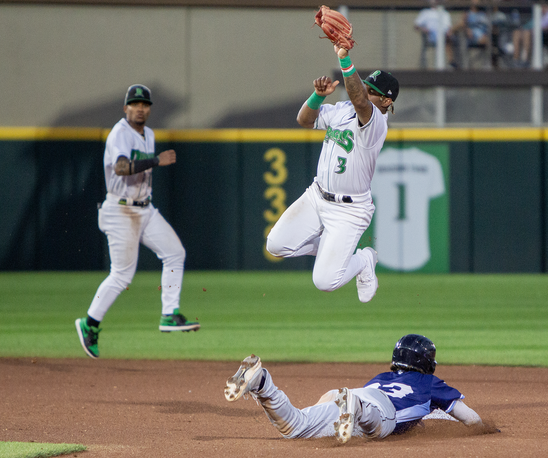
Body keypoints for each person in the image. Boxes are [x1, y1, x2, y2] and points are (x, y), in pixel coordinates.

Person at [265, 42, 399, 304]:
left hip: (349, 210)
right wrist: (317, 95)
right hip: (316, 196)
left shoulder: (376, 123)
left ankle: (363, 259)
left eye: (373, 91)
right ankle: (335, 250)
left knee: (325, 282)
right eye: (367, 87)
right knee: (276, 246)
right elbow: (304, 121)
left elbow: (360, 99)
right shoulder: (343, 110)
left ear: (386, 101)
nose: (365, 92)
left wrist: (344, 59)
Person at [74, 84, 199, 360]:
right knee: (121, 275)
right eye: (135, 104)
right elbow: (120, 167)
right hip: (120, 210)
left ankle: (169, 314)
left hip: (144, 208)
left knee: (175, 253)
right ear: (125, 108)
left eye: (145, 104)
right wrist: (156, 161)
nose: (140, 108)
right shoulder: (120, 132)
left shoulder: (149, 134)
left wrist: (152, 160)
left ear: (149, 109)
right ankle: (89, 324)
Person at [223, 334, 491, 443]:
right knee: (378, 428)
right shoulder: (430, 382)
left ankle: (262, 383)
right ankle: (354, 405)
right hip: (369, 407)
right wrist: (487, 430)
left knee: (295, 427)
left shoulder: (382, 376)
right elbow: (471, 418)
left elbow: (332, 399)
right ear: (425, 362)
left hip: (356, 395)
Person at [511, 0, 548, 67]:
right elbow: (531, 24)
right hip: (538, 32)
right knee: (517, 33)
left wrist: (539, 29)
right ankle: (516, 60)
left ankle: (526, 60)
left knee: (527, 34)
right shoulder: (545, 11)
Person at [415, 0, 456, 68]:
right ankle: (450, 62)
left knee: (448, 37)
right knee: (446, 38)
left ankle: (450, 62)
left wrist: (449, 32)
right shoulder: (426, 13)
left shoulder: (445, 13)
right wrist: (424, 30)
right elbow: (416, 26)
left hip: (444, 34)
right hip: (431, 35)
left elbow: (449, 27)